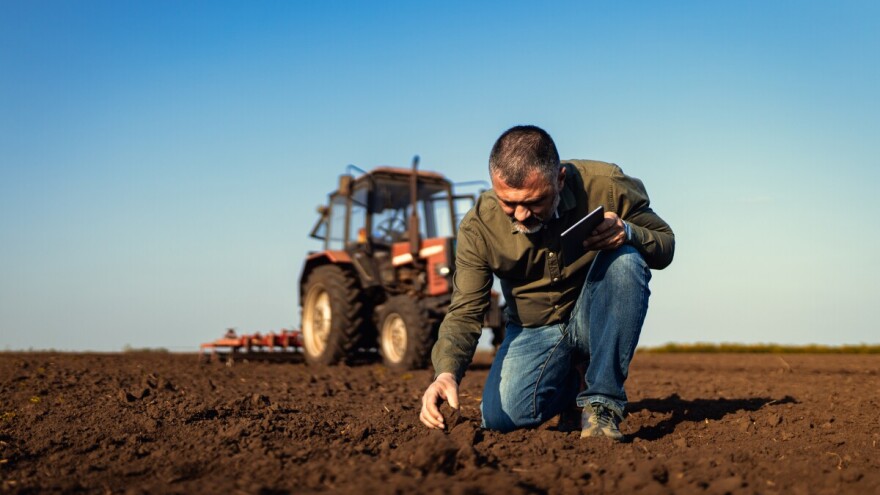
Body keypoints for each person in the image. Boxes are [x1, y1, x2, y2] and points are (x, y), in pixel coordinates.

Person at [419, 125, 674, 440]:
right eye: (509, 204)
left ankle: (601, 405)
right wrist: (446, 373)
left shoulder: (606, 185)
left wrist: (629, 232)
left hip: (591, 314)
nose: (522, 215)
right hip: (533, 329)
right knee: (500, 419)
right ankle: (572, 385)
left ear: (560, 179)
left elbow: (665, 245)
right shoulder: (478, 227)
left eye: (535, 201)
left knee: (626, 260)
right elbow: (466, 309)